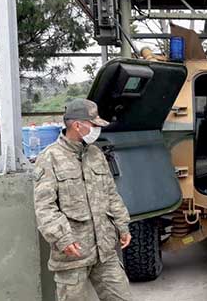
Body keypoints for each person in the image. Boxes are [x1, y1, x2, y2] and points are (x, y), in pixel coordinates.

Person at [33, 98, 133, 301]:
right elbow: (45, 207)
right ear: (78, 125)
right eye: (94, 124)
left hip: (104, 250)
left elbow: (111, 193)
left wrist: (123, 225)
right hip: (73, 253)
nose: (97, 129)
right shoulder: (50, 158)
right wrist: (62, 238)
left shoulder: (96, 154)